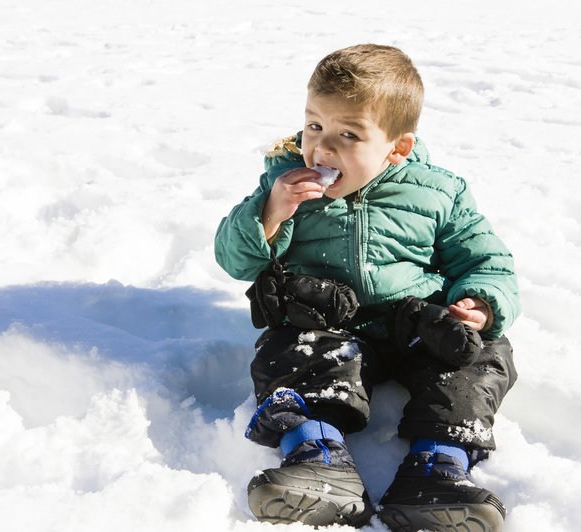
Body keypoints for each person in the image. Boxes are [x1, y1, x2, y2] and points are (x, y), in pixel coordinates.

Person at [214, 44, 519, 531]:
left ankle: (438, 470)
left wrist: (479, 304)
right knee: (294, 349)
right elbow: (235, 258)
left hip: (416, 325)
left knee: (479, 356)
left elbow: (486, 258)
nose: (323, 148)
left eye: (348, 134)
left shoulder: (438, 192)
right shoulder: (286, 183)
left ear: (396, 147)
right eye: (315, 126)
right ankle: (317, 457)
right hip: (329, 323)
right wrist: (271, 213)